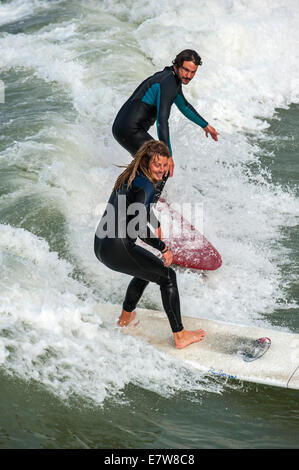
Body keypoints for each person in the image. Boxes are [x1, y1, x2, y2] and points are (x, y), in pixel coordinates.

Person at [94, 140, 205, 349]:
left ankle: (125, 318)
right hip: (117, 247)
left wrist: (156, 223)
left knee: (146, 268)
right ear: (146, 161)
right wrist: (163, 247)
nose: (162, 171)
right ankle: (180, 336)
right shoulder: (145, 184)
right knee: (167, 276)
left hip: (101, 245)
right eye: (157, 166)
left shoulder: (130, 176)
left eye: (165, 166)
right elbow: (140, 230)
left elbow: (137, 207)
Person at [112, 49, 219, 182]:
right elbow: (162, 121)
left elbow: (184, 106)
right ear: (177, 65)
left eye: (193, 72)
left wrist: (206, 126)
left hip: (123, 127)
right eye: (186, 70)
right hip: (130, 130)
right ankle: (148, 200)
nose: (189, 75)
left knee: (148, 167)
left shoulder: (170, 78)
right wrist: (168, 155)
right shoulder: (168, 83)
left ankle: (133, 193)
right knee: (162, 166)